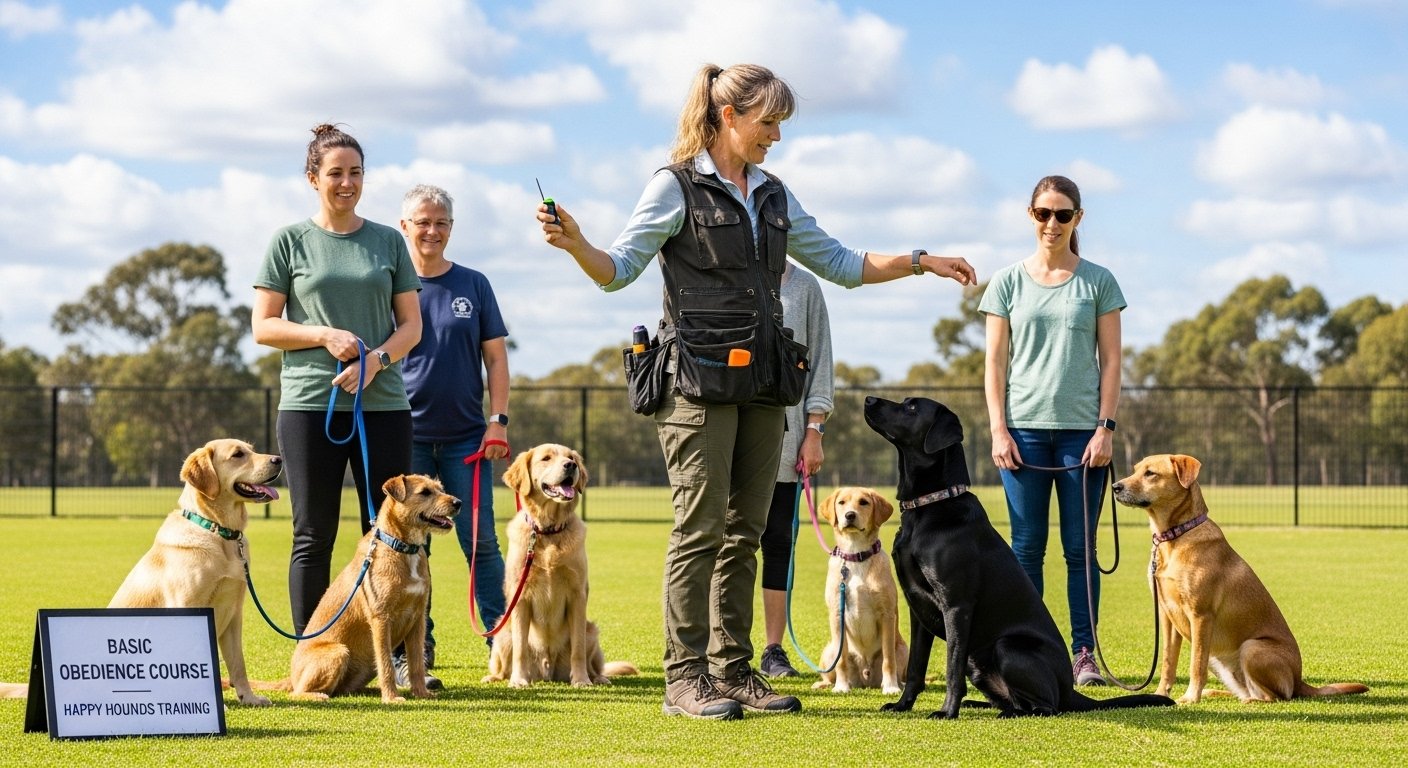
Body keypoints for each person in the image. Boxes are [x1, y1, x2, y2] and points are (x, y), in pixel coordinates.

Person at [538, 63, 975, 720]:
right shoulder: (674, 186)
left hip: (768, 384)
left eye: (779, 124)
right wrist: (577, 244)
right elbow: (618, 269)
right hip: (697, 384)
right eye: (767, 122)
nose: (775, 135)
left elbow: (841, 263)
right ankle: (685, 678)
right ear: (728, 116)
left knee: (745, 531)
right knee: (699, 530)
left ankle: (733, 670)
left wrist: (919, 261)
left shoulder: (773, 194)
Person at [252, 123, 422, 638]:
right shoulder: (289, 241)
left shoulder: (389, 241)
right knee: (313, 534)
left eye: (356, 172)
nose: (347, 183)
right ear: (313, 178)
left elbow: (411, 327)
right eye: (335, 173)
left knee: (394, 533)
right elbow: (264, 326)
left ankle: (398, 656)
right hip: (309, 406)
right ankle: (312, 650)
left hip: (384, 407)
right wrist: (324, 335)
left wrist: (376, 363)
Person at [978, 174, 1125, 687]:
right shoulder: (1006, 282)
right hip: (1023, 433)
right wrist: (998, 430)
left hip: (1084, 436)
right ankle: (1032, 652)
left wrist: (1105, 428)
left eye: (1063, 214)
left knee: (1081, 551)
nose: (1053, 223)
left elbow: (1112, 362)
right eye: (1044, 213)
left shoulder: (1099, 282)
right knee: (1025, 549)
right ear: (1031, 215)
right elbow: (994, 363)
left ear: (1077, 218)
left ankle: (1084, 655)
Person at [395, 183, 511, 687]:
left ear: (451, 228)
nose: (432, 230)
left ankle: (504, 641)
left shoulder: (474, 284)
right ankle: (416, 646)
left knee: (481, 543)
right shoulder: (391, 285)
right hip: (407, 439)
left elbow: (496, 360)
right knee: (410, 547)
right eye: (422, 222)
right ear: (405, 226)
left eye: (441, 222)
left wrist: (497, 420)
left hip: (468, 441)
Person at [758, 261, 832, 679]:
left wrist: (814, 431)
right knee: (728, 547)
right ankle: (724, 650)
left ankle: (773, 650)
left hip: (787, 444)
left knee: (778, 545)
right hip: (732, 441)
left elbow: (820, 362)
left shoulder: (805, 287)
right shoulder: (724, 274)